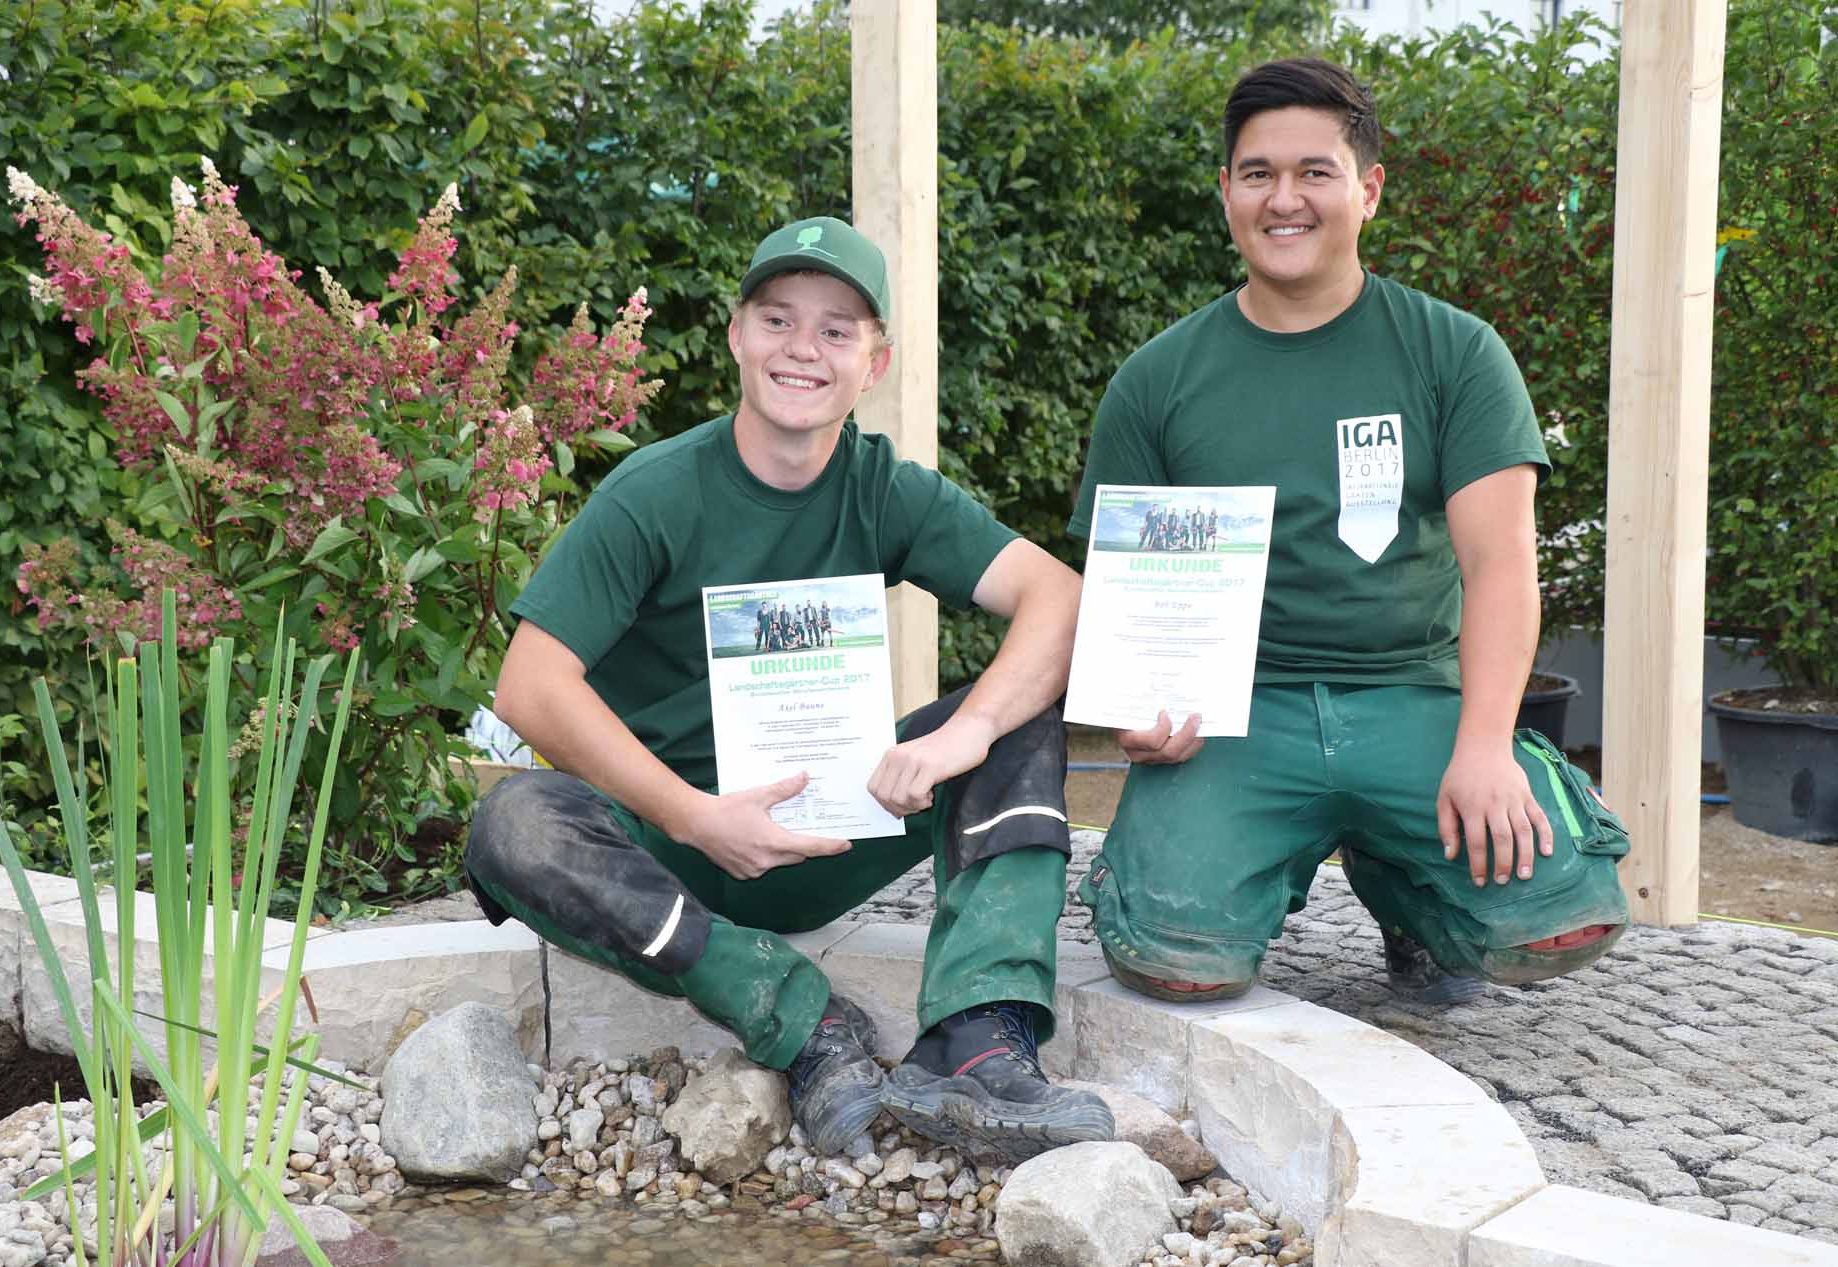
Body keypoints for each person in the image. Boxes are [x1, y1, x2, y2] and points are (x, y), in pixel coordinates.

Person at [467, 216, 1110, 1162]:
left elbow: (1056, 595)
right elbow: (529, 682)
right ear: (736, 335)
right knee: (514, 823)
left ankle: (975, 1046)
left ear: (874, 362)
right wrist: (691, 814)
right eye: (777, 319)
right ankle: (804, 1023)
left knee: (1018, 720)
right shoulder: (656, 492)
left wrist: (964, 731)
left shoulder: (883, 488)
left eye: (836, 330)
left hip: (839, 823)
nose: (802, 349)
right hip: (669, 853)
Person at [1068, 59, 1630, 1007]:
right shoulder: (1157, 379)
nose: (1285, 199)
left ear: (1367, 190)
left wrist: (1487, 744)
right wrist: (1135, 708)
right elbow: (1121, 587)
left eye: (1315, 173)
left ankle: (1408, 886)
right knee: (1171, 961)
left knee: (1565, 918)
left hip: (1412, 698)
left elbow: (1500, 569)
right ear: (1226, 194)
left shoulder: (1453, 352)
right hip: (1235, 715)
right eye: (1257, 174)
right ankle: (1262, 857)